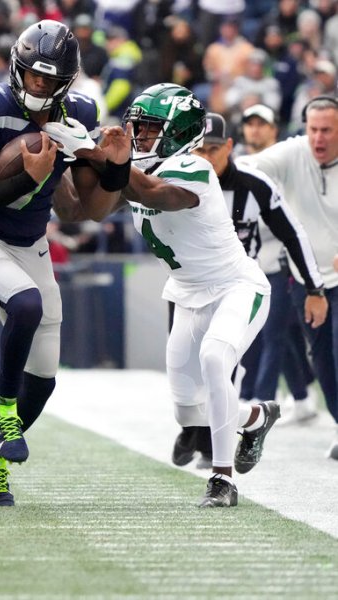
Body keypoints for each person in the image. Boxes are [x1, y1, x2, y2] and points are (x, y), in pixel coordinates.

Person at [0, 20, 132, 506]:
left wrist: (115, 167)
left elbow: (83, 212)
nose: (40, 86)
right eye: (34, 75)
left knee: (45, 380)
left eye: (51, 79)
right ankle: (1, 409)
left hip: (29, 243)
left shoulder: (78, 111)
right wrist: (29, 178)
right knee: (26, 304)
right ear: (17, 68)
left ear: (68, 81)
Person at [85, 83, 280, 507]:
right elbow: (90, 209)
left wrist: (99, 155)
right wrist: (71, 156)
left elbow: (151, 193)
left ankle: (222, 480)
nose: (140, 137)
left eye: (151, 129)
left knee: (216, 359)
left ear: (179, 131)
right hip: (188, 295)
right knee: (188, 412)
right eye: (137, 128)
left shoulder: (195, 168)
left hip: (237, 287)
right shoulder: (137, 168)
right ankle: (255, 416)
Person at [167, 112, 327, 470]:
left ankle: (215, 452)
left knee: (220, 366)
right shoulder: (176, 179)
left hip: (234, 288)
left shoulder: (254, 185)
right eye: (198, 150)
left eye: (212, 149)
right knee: (182, 375)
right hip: (186, 286)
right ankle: (198, 425)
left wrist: (314, 286)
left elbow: (291, 232)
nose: (204, 158)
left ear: (229, 146)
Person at [243, 96, 338, 458]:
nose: (318, 138)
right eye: (313, 129)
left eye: (327, 130)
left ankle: (267, 398)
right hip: (305, 279)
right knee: (323, 362)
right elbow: (249, 166)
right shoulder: (293, 152)